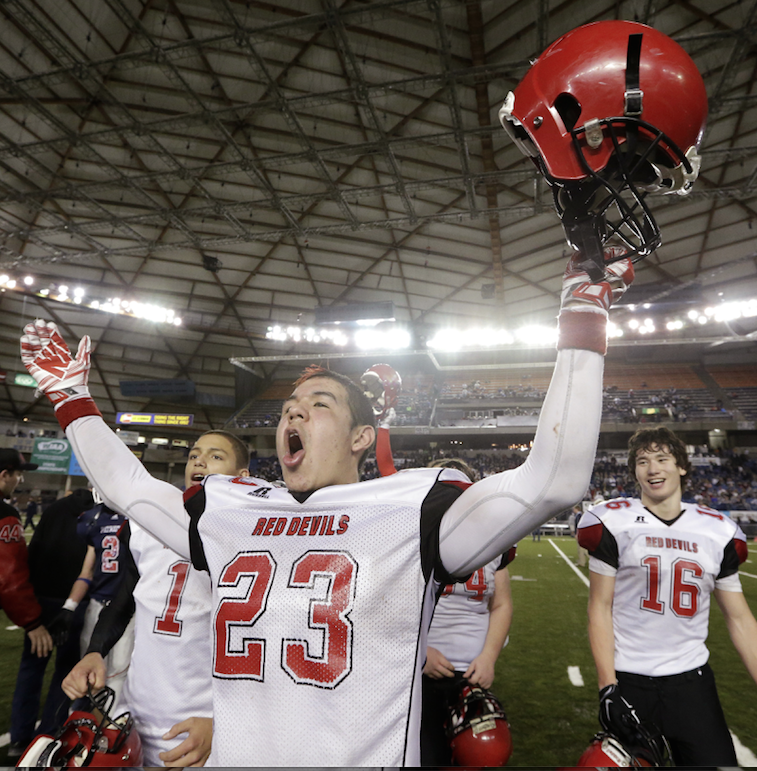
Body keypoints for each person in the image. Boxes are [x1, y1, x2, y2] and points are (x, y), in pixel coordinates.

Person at [18, 249, 631, 766]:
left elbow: (554, 478)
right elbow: (128, 486)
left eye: (319, 404)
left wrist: (581, 312)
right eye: (289, 404)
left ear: (364, 437)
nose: (293, 410)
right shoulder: (232, 512)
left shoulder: (409, 508)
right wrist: (72, 400)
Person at [578, 426, 757, 766]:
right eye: (643, 461)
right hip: (631, 680)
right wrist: (607, 686)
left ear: (682, 467)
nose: (653, 469)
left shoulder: (717, 530)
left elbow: (740, 619)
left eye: (662, 459)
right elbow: (598, 608)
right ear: (634, 471)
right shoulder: (613, 521)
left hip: (692, 684)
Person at [61, 430, 251, 767]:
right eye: (194, 455)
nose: (200, 461)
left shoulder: (253, 532)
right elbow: (125, 599)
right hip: (136, 714)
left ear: (243, 477)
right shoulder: (146, 522)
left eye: (215, 456)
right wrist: (95, 652)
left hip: (202, 725)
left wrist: (224, 722)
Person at [421, 457, 515, 766]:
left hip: (473, 676)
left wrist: (489, 658)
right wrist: (420, 654)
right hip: (421, 674)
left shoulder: (491, 541)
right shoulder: (416, 538)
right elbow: (387, 610)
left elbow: (501, 604)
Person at [9, 487, 94, 757]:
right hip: (75, 602)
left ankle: (18, 739)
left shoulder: (55, 509)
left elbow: (33, 553)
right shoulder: (98, 514)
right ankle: (48, 735)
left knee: (31, 669)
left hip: (43, 600)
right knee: (66, 670)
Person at [0, 448, 54, 759]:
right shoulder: (5, 516)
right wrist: (33, 622)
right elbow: (9, 578)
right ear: (4, 474)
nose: (20, 480)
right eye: (18, 474)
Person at [54, 500, 135, 701]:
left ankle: (110, 727)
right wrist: (69, 606)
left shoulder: (136, 516)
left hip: (127, 608)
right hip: (97, 604)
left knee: (118, 673)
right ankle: (90, 724)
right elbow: (86, 573)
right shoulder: (94, 519)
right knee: (89, 670)